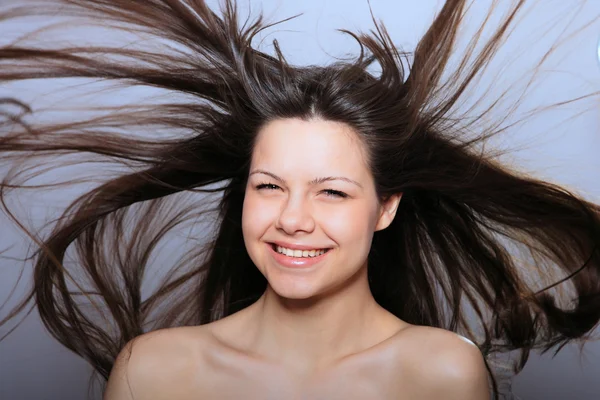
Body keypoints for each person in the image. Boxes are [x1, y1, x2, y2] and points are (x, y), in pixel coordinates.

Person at [0, 0, 598, 399]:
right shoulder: (154, 373)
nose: (291, 218)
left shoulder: (440, 374)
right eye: (269, 186)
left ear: (386, 207)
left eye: (332, 191)